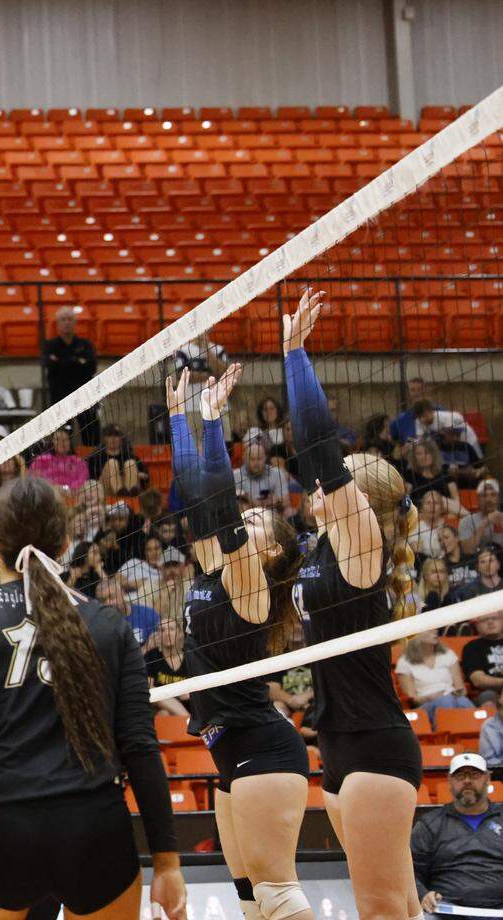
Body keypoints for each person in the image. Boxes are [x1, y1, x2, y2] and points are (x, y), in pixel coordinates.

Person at [0, 476, 186, 919]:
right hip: (97, 832)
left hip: (3, 829)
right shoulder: (111, 626)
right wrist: (167, 860)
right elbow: (140, 748)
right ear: (66, 544)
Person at [284, 289, 423, 919]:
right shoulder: (323, 551)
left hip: (374, 745)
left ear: (359, 501)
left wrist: (295, 354)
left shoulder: (360, 549)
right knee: (396, 904)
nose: (321, 484)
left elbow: (315, 446)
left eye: (337, 479)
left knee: (381, 907)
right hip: (338, 742)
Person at [168, 364, 313, 920]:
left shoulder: (251, 581)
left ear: (272, 552)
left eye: (255, 522)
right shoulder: (216, 570)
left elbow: (220, 506)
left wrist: (213, 416)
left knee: (276, 892)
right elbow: (198, 497)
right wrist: (180, 419)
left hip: (264, 747)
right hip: (228, 750)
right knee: (251, 897)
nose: (242, 523)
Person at [411, 753, 503, 913]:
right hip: (444, 912)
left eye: (474, 774)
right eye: (460, 775)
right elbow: (411, 873)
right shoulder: (429, 825)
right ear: (450, 781)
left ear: (488, 778)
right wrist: (423, 894)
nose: (467, 781)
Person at [44, 306, 99, 444]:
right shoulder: (50, 345)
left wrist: (62, 362)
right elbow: (50, 366)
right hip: (60, 398)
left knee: (91, 435)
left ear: (75, 323)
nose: (67, 323)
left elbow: (91, 368)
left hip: (85, 396)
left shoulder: (85, 345)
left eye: (70, 319)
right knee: (62, 437)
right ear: (57, 324)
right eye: (63, 319)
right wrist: (77, 362)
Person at [395, 630, 475, 722]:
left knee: (462, 700)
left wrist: (452, 695)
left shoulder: (448, 655)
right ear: (415, 636)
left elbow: (462, 690)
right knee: (446, 701)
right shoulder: (405, 662)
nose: (435, 632)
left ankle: (476, 731)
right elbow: (412, 699)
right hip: (424, 705)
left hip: (452, 697)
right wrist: (430, 697)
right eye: (429, 630)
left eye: (435, 630)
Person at [145, 616, 192, 717]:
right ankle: (187, 720)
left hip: (191, 707)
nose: (167, 633)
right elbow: (148, 688)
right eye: (162, 630)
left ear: (180, 633)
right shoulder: (151, 656)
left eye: (171, 629)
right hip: (162, 707)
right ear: (158, 635)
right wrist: (177, 693)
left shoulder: (191, 656)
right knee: (163, 713)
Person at [232, 440, 293, 516]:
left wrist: (276, 501)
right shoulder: (236, 475)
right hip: (249, 513)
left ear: (265, 458)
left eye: (259, 459)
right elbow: (235, 503)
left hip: (273, 513)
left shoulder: (277, 473)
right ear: (245, 459)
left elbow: (286, 502)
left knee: (289, 511)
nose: (256, 463)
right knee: (243, 507)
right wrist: (254, 502)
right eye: (252, 459)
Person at [86, 424, 147, 497]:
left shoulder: (129, 455)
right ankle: (121, 494)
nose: (113, 438)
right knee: (112, 463)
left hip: (129, 488)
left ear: (121, 438)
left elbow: (146, 477)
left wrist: (135, 473)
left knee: (130, 463)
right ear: (104, 438)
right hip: (104, 491)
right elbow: (91, 481)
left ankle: (128, 496)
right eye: (109, 435)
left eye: (116, 435)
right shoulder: (96, 457)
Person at [405, 439, 461, 512]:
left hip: (444, 511)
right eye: (419, 454)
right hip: (421, 512)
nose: (424, 456)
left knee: (441, 499)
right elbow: (405, 498)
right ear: (414, 458)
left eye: (427, 453)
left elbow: (456, 498)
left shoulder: (445, 471)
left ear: (433, 455)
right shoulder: (410, 474)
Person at [28, 427, 88, 494]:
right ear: (52, 442)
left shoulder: (78, 462)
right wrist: (53, 488)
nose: (61, 443)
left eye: (65, 440)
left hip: (73, 495)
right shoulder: (41, 460)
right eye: (57, 439)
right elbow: (34, 480)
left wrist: (65, 488)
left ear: (70, 442)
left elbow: (82, 480)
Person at [461, 611, 503, 706]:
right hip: (489, 693)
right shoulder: (472, 647)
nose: (490, 622)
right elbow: (478, 680)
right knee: (487, 698)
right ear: (477, 626)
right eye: (484, 620)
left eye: (494, 618)